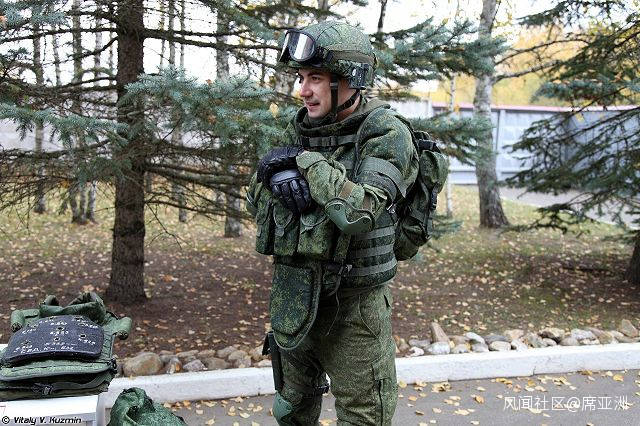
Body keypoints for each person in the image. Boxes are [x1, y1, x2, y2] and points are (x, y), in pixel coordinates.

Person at [246, 20, 419, 425]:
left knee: (363, 416)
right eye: (301, 78)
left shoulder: (385, 133)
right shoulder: (298, 127)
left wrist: (302, 162)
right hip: (295, 297)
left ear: (349, 80)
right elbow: (256, 206)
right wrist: (270, 173)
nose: (303, 91)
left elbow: (359, 213)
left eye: (316, 79)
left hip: (355, 308)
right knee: (290, 410)